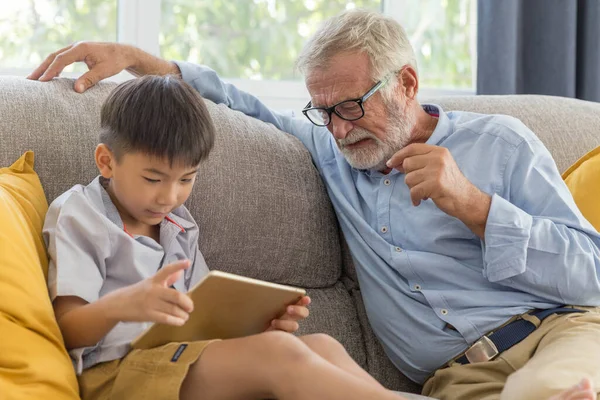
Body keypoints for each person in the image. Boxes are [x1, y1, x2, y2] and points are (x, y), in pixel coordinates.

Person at [30, 9, 600, 400]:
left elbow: (590, 276)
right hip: (458, 381)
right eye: (320, 111)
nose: (338, 129)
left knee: (553, 389)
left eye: (350, 106)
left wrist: (477, 207)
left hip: (557, 335)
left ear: (405, 82)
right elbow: (237, 101)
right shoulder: (333, 150)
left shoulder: (500, 143)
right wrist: (141, 60)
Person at [41, 75, 407, 400]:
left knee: (322, 345)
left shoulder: (178, 224)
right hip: (115, 373)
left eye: (186, 179)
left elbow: (203, 319)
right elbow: (68, 329)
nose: (169, 197)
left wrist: (254, 326)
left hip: (182, 357)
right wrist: (125, 304)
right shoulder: (81, 214)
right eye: (153, 179)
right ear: (106, 161)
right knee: (280, 354)